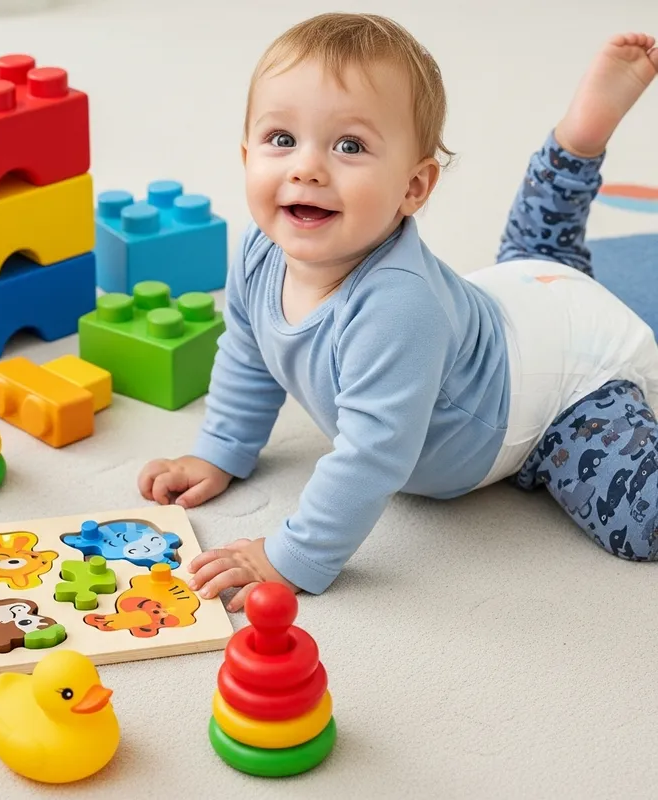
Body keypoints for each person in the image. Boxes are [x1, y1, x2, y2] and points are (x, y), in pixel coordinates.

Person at [138, 12, 658, 610]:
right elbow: (249, 350)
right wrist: (221, 446)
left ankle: (573, 151)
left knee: (638, 520)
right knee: (536, 260)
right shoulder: (260, 250)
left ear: (414, 188)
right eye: (281, 139)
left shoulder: (398, 305)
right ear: (246, 153)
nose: (305, 167)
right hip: (517, 296)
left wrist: (290, 554)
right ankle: (577, 143)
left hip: (564, 382)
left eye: (350, 145)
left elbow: (373, 453)